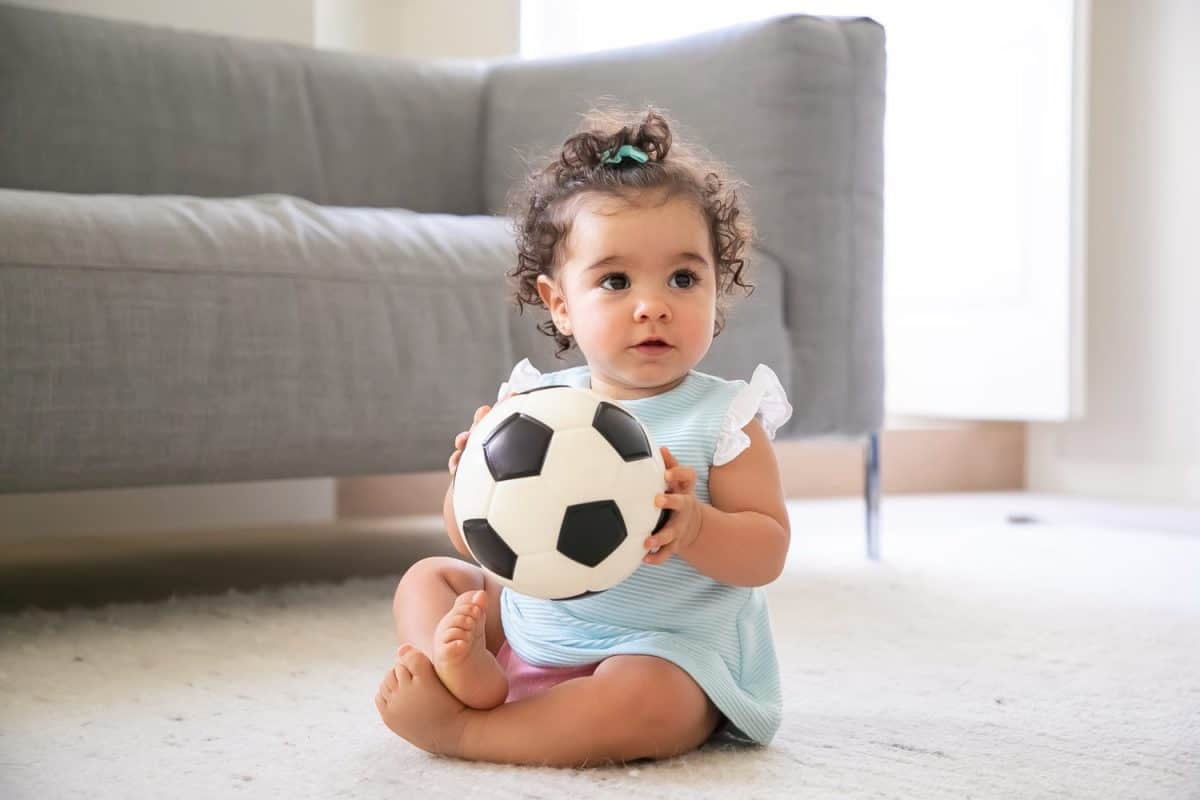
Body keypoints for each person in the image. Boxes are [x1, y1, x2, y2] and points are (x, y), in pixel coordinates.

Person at [374, 106, 793, 767]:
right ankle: (464, 667)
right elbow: (476, 543)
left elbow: (766, 553)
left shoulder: (724, 419)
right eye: (616, 280)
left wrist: (697, 530)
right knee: (430, 578)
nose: (653, 304)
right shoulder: (533, 407)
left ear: (719, 289)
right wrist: (470, 487)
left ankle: (466, 731)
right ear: (561, 302)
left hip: (659, 651)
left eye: (684, 278)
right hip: (531, 626)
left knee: (653, 703)